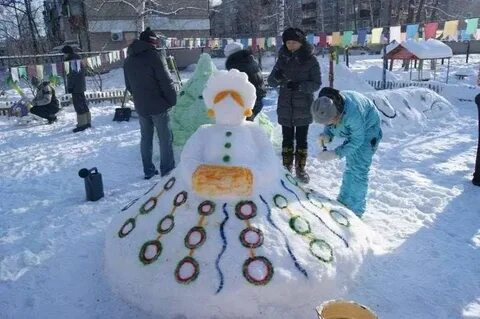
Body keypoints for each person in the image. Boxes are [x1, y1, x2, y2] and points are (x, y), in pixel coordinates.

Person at [311, 87, 383, 217]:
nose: (329, 124)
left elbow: (357, 140)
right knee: (351, 167)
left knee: (359, 169)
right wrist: (327, 135)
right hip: (356, 131)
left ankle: (355, 211)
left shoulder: (353, 114)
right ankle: (344, 201)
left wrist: (335, 153)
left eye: (330, 122)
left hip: (368, 130)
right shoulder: (327, 104)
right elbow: (330, 124)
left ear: (337, 113)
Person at [267, 27, 321, 183]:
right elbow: (271, 81)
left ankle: (300, 168)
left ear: (300, 42)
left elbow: (316, 84)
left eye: (294, 42)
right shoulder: (282, 58)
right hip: (285, 105)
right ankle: (286, 166)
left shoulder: (310, 60)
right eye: (288, 42)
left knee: (302, 139)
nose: (290, 45)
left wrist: (300, 86)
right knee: (287, 139)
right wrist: (276, 77)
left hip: (303, 106)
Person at [123, 27, 177, 179]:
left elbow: (128, 86)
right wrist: (172, 100)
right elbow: (166, 81)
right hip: (158, 105)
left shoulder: (128, 60)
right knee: (165, 139)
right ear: (152, 42)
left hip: (141, 106)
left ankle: (148, 170)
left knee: (145, 138)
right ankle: (167, 171)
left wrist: (140, 97)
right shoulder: (155, 56)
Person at [224, 42, 266, 121]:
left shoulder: (237, 64)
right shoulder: (249, 60)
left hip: (248, 100)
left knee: (242, 125)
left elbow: (236, 85)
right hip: (258, 98)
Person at [62, 45, 91, 132]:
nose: (64, 55)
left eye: (64, 53)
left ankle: (82, 124)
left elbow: (73, 75)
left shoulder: (72, 61)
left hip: (76, 87)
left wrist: (70, 86)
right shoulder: (78, 59)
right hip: (80, 85)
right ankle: (87, 121)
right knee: (83, 103)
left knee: (78, 105)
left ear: (67, 53)